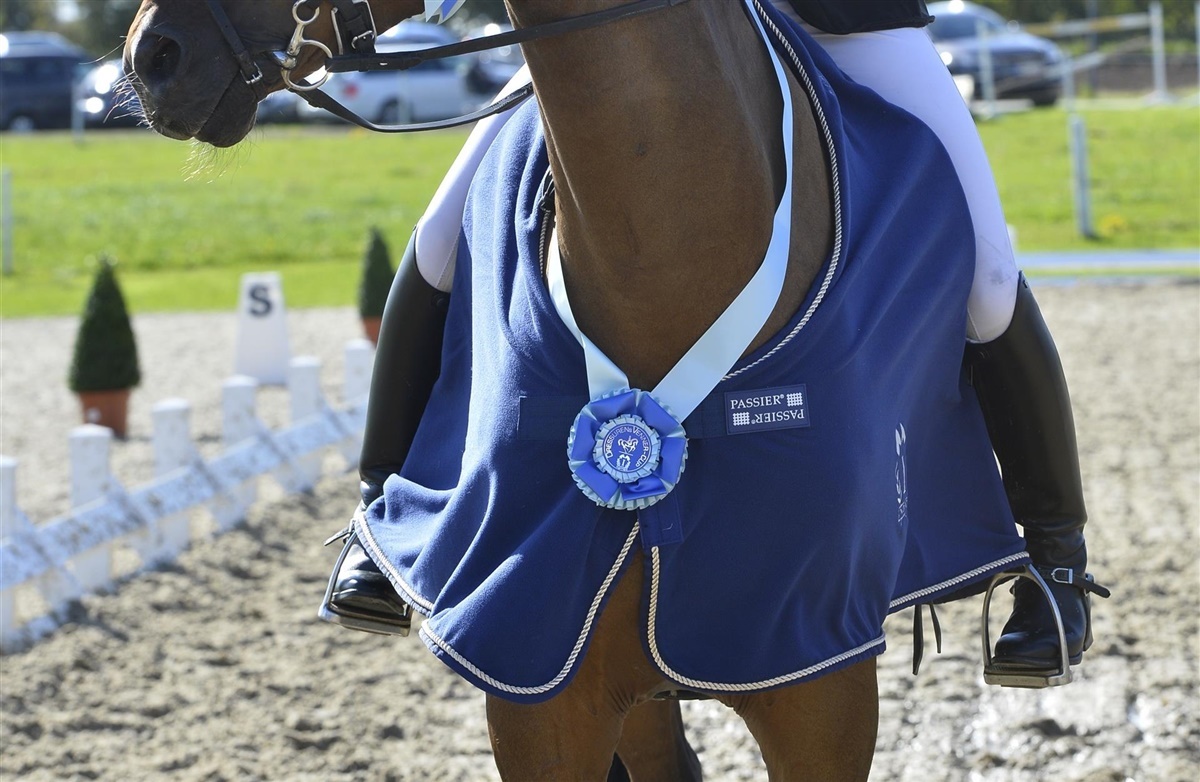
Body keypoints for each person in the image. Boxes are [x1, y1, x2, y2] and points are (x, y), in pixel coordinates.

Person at [320, 0, 1104, 682]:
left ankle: (1056, 565)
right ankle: (381, 517)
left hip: (842, 22)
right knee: (441, 237)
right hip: (643, 23)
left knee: (987, 275)